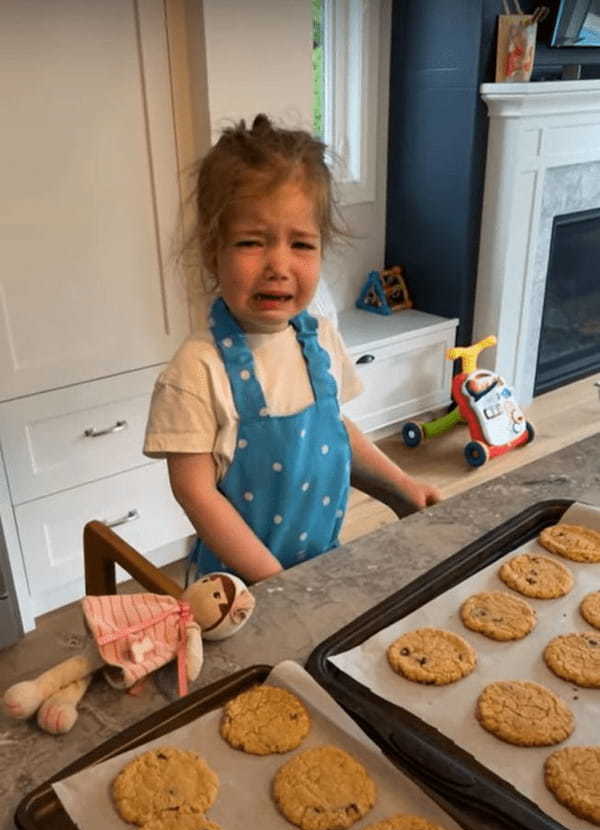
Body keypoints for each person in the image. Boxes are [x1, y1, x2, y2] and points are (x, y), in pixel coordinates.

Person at [144, 114, 440, 585]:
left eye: (301, 244)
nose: (279, 266)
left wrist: (400, 489)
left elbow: (334, 431)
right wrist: (273, 579)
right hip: (239, 589)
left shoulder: (320, 339)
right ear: (210, 251)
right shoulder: (196, 372)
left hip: (319, 569)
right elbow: (195, 493)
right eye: (250, 243)